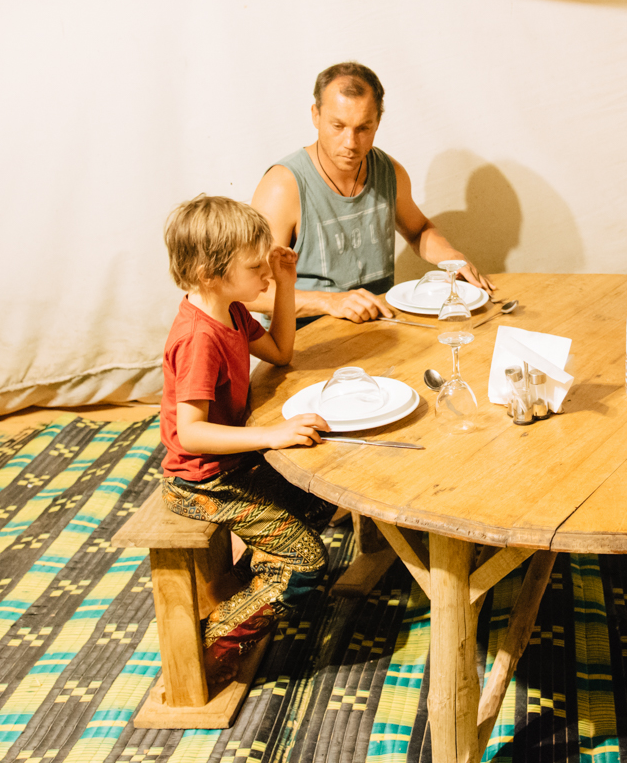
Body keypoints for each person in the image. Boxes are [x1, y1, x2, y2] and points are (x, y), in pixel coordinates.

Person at [158, 194, 334, 679]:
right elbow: (191, 434)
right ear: (209, 275)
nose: (266, 275)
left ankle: (244, 582)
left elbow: (279, 351)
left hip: (232, 465)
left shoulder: (232, 312)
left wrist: (287, 284)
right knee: (307, 563)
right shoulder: (199, 339)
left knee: (323, 495)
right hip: (202, 482)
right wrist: (273, 435)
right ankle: (211, 646)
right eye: (256, 267)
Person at [250, 61, 494, 323]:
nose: (350, 143)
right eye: (338, 126)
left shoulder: (390, 172)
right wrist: (329, 302)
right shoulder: (282, 186)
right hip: (309, 339)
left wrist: (450, 257)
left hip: (380, 328)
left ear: (377, 122)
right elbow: (250, 292)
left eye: (363, 128)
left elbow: (418, 230)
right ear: (315, 116)